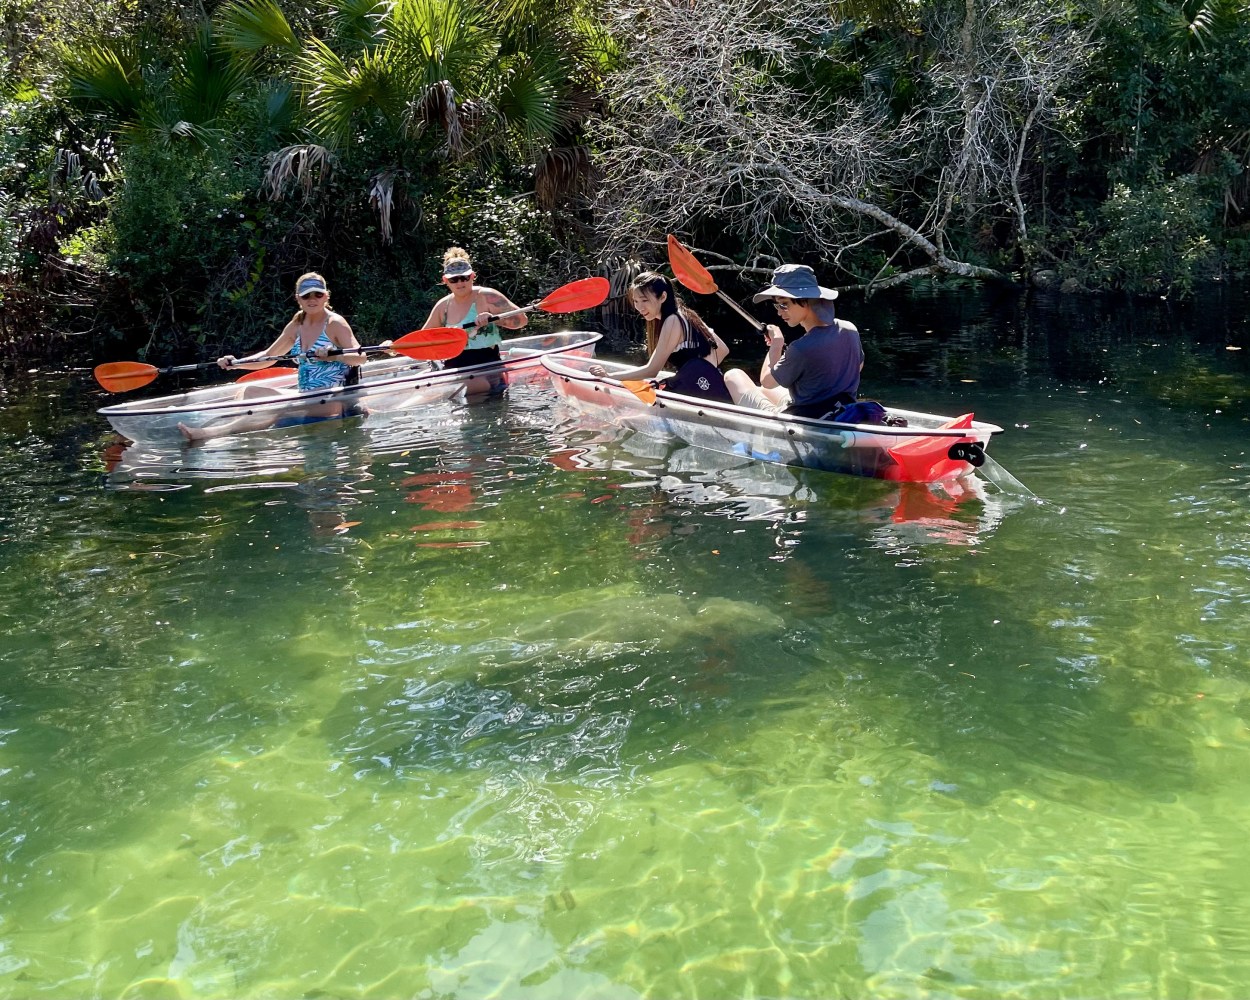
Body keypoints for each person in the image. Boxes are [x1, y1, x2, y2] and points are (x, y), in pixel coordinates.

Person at [178, 272, 364, 442]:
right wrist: (236, 364)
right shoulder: (297, 324)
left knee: (270, 401)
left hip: (331, 399)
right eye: (306, 295)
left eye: (318, 294)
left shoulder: (335, 323)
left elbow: (360, 357)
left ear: (326, 296)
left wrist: (335, 357)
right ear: (298, 298)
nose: (312, 299)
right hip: (305, 395)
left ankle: (209, 435)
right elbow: (269, 356)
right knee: (248, 391)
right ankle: (237, 437)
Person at [723, 263, 863, 418]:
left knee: (733, 375)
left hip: (803, 420)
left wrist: (776, 343)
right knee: (762, 392)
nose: (779, 312)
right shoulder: (850, 329)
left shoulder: (801, 348)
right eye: (777, 304)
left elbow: (767, 382)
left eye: (784, 304)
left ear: (806, 301)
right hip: (841, 411)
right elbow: (859, 365)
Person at [590, 271, 731, 402]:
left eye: (644, 300)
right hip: (710, 385)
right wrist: (702, 373)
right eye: (635, 301)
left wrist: (609, 377)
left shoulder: (672, 321)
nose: (639, 307)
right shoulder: (688, 314)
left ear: (663, 297)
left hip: (697, 392)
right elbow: (723, 350)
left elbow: (652, 370)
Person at [421, 247, 528, 395]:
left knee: (471, 385)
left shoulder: (487, 296)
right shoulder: (443, 306)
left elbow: (521, 321)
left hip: (487, 369)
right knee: (452, 388)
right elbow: (422, 340)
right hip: (455, 370)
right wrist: (394, 348)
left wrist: (493, 320)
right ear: (445, 280)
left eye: (464, 277)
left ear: (472, 276)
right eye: (454, 279)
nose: (460, 283)